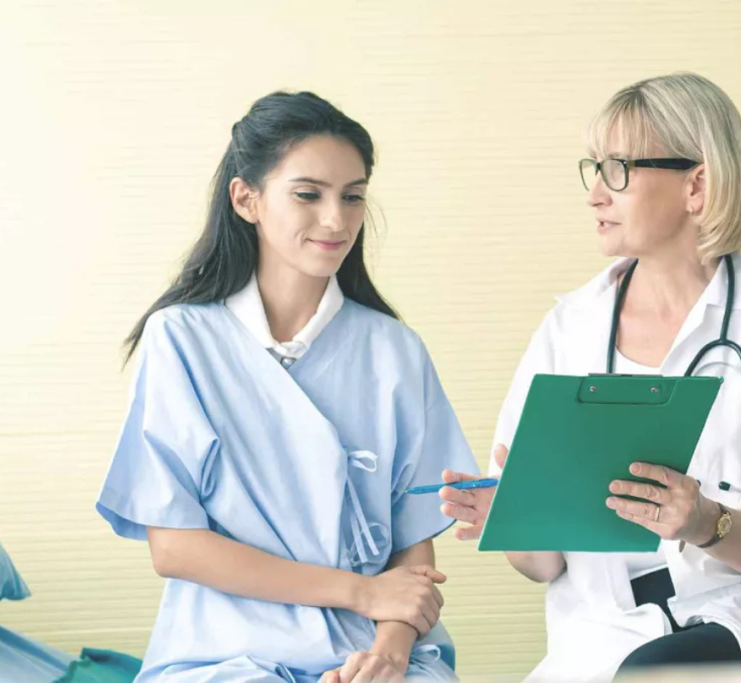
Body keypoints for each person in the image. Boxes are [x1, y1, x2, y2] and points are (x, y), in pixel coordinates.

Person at [440, 73, 741, 681]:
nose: (596, 193)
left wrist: (707, 523)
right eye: (592, 169)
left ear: (696, 185)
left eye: (617, 170)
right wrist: (514, 519)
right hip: (600, 637)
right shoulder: (567, 332)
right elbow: (542, 565)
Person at [96, 91, 479, 683]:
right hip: (221, 655)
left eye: (353, 197)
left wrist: (388, 656)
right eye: (308, 194)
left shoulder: (394, 350)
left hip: (375, 650)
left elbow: (413, 551)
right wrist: (361, 593)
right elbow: (174, 547)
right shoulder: (182, 339)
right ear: (246, 199)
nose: (336, 219)